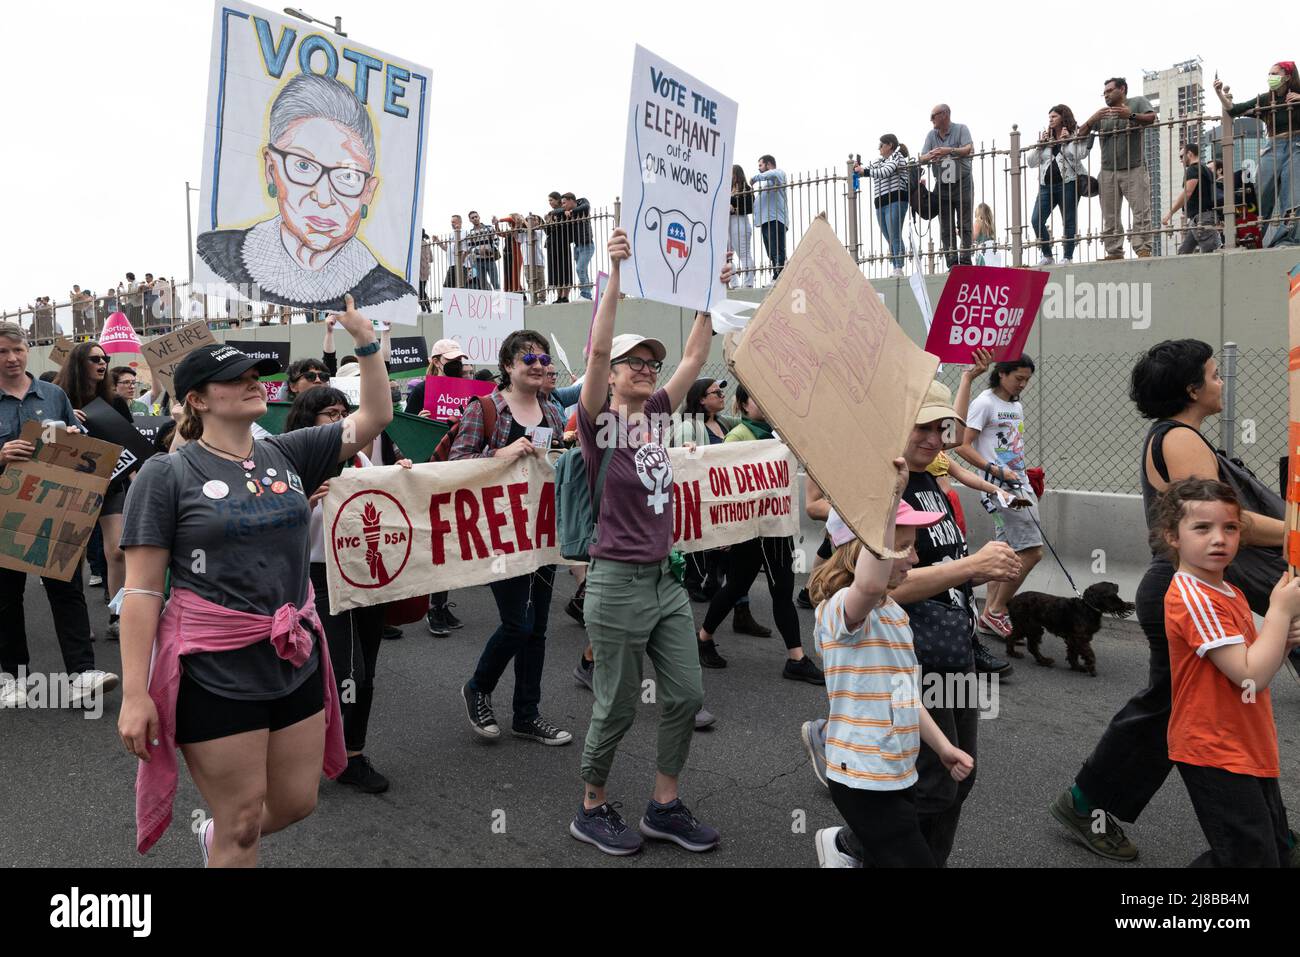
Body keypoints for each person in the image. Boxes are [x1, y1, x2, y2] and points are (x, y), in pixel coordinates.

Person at [116, 297, 393, 864]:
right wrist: (135, 692)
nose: (251, 383)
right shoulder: (165, 474)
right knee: (242, 822)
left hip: (293, 658)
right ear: (196, 399)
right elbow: (143, 590)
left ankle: (216, 838)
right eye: (232, 379)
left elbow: (374, 418)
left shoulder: (288, 454)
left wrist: (365, 344)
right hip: (213, 668)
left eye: (253, 375)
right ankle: (226, 839)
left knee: (296, 803)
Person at [1052, 339, 1289, 862]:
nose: (1221, 382)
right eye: (1213, 374)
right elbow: (1233, 522)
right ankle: (1086, 801)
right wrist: (1295, 530)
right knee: (1177, 708)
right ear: (1191, 389)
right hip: (1178, 588)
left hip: (1194, 585)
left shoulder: (1187, 437)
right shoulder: (1179, 438)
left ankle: (1273, 835)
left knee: (1192, 706)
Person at [569, 227, 729, 856]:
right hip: (615, 582)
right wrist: (613, 275)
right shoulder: (598, 423)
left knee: (687, 695)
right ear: (610, 375)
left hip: (665, 582)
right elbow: (599, 347)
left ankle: (664, 805)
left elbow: (692, 358)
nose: (646, 369)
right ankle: (592, 806)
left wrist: (708, 295)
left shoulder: (661, 412)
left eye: (649, 363)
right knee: (614, 706)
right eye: (634, 362)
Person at [811, 459, 975, 868]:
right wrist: (892, 498)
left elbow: (904, 694)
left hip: (898, 771)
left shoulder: (894, 614)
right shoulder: (840, 613)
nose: (915, 559)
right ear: (860, 551)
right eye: (903, 547)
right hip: (862, 777)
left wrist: (942, 747)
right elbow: (867, 582)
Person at [885, 380, 1021, 865]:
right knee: (934, 785)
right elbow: (888, 587)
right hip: (913, 652)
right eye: (919, 426)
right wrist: (971, 567)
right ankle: (857, 845)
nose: (932, 437)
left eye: (939, 427)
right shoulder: (886, 487)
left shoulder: (928, 478)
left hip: (953, 647)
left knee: (962, 777)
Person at [1147, 479, 1298, 866]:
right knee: (1251, 857)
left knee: (1272, 851)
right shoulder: (1192, 596)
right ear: (1172, 536)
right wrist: (1279, 611)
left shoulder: (1227, 591)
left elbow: (1254, 661)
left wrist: (1280, 641)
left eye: (1230, 528)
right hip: (1214, 750)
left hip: (1248, 744)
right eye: (1202, 528)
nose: (1219, 539)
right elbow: (1250, 675)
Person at [196, 73, 419, 315]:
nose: (324, 198)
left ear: (367, 192)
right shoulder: (215, 255)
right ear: (271, 169)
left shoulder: (393, 296)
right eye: (303, 166)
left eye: (348, 176)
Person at [451, 330, 571, 747]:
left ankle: (527, 714)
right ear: (508, 366)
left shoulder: (553, 412)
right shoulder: (485, 409)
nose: (539, 366)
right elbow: (454, 468)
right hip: (499, 536)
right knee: (517, 623)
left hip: (541, 533)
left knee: (537, 627)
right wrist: (497, 455)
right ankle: (478, 687)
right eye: (529, 359)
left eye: (543, 359)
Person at [287, 385, 410, 793]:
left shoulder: (358, 458)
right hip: (320, 577)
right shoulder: (292, 464)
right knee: (346, 671)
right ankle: (330, 755)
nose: (341, 420)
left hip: (365, 574)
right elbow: (272, 531)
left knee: (366, 671)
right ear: (309, 421)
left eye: (345, 411)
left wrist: (404, 479)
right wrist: (304, 502)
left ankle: (349, 751)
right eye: (330, 413)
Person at [0, 322, 118, 709]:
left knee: (67, 588)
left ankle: (82, 673)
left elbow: (76, 443)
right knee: (6, 596)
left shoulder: (52, 395)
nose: (12, 358)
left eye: (17, 349)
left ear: (27, 349)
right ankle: (12, 677)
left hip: (55, 507)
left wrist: (71, 437)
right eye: (2, 352)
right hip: (6, 513)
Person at [696, 383, 823, 683]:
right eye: (757, 397)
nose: (765, 404)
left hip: (775, 527)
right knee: (740, 586)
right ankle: (704, 639)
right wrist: (725, 531)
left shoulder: (783, 436)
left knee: (776, 589)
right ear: (742, 404)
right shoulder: (739, 436)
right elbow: (722, 482)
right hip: (751, 531)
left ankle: (795, 658)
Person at [669, 378, 770, 634]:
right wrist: (688, 449)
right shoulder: (688, 426)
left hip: (725, 500)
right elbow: (684, 461)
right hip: (705, 499)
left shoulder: (723, 423)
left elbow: (752, 425)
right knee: (726, 559)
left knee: (731, 561)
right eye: (716, 392)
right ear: (701, 399)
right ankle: (713, 600)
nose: (722, 395)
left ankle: (738, 609)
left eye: (723, 391)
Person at [954, 357, 1043, 647]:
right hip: (1001, 490)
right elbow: (963, 446)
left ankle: (986, 612)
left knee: (1004, 551)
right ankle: (996, 610)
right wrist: (994, 471)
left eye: (1027, 379)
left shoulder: (1015, 405)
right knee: (1032, 551)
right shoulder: (984, 403)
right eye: (1018, 377)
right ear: (1001, 374)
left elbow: (1008, 444)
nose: (1023, 384)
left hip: (1019, 484)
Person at [55, 341, 136, 640]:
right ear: (79, 363)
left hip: (111, 485)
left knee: (117, 550)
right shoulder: (57, 397)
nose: (102, 364)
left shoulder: (115, 403)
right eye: (95, 359)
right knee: (71, 556)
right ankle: (77, 623)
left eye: (105, 359)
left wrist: (137, 477)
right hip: (72, 487)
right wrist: (65, 422)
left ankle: (118, 616)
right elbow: (43, 439)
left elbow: (129, 443)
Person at [1214, 62, 1300, 248]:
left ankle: (1289, 239)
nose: (1270, 76)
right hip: (1274, 147)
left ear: (1287, 76)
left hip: (1297, 146)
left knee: (1293, 196)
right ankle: (1250, 237)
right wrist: (1220, 94)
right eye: (1269, 73)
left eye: (1274, 73)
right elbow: (1234, 109)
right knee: (1260, 193)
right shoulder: (1266, 99)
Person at [1078, 77, 1157, 260]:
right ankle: (1114, 251)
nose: (1106, 95)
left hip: (1134, 167)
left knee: (1141, 211)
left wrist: (1130, 116)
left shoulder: (1137, 102)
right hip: (1107, 171)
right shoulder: (1102, 114)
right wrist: (1093, 119)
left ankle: (1143, 248)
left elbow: (1152, 118)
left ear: (1122, 89)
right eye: (1104, 92)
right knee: (1110, 215)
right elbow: (1079, 134)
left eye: (1110, 91)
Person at [1027, 105, 1088, 265]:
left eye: (1054, 116)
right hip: (1046, 186)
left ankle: (1067, 256)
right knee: (1036, 219)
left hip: (1068, 183)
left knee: (1068, 220)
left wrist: (1068, 141)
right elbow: (1031, 162)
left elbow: (1080, 155)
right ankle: (1047, 255)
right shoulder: (1047, 139)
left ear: (1063, 117)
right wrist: (1040, 146)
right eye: (1050, 118)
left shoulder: (1075, 134)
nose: (1051, 120)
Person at [920, 105, 975, 267]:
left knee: (964, 224)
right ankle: (952, 262)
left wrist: (948, 150)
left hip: (962, 182)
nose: (931, 120)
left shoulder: (961, 129)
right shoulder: (931, 135)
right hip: (942, 186)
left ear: (944, 115)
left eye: (933, 116)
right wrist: (931, 155)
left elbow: (968, 148)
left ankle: (965, 261)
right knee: (946, 226)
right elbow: (922, 157)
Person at [854, 136, 911, 276]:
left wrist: (864, 171)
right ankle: (896, 265)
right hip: (881, 203)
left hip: (896, 200)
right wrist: (857, 169)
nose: (879, 148)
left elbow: (886, 171)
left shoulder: (897, 156)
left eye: (881, 145)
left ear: (889, 145)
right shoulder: (879, 161)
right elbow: (868, 171)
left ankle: (898, 266)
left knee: (894, 235)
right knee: (889, 236)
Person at [1162, 143, 1222, 255]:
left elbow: (1187, 193)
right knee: (1183, 252)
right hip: (1198, 219)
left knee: (1211, 255)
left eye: (1181, 156)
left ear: (1189, 154)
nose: (1180, 160)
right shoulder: (1206, 169)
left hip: (1202, 218)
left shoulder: (1193, 169)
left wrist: (1169, 214)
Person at [751, 155, 789, 281]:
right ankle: (776, 275)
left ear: (768, 164)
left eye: (761, 165)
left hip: (775, 219)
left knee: (777, 249)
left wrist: (754, 179)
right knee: (771, 251)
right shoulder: (767, 182)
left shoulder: (778, 174)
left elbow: (772, 174)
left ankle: (780, 276)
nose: (759, 169)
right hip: (765, 221)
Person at [563, 193, 596, 299]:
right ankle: (587, 291)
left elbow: (586, 206)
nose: (563, 205)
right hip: (577, 246)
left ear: (571, 200)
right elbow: (557, 211)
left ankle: (585, 293)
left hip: (587, 245)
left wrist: (571, 211)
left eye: (564, 203)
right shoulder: (566, 213)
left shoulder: (583, 204)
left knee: (579, 269)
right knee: (583, 270)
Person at [543, 192, 572, 302]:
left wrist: (552, 215)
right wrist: (548, 221)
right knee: (555, 270)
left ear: (557, 199)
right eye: (549, 201)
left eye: (551, 200)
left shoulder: (563, 210)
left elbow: (563, 217)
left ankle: (565, 296)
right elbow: (548, 231)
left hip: (563, 243)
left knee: (564, 269)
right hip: (552, 244)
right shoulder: (551, 214)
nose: (550, 203)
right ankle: (559, 296)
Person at [729, 166, 755, 287]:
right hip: (727, 224)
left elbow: (750, 207)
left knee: (744, 253)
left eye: (732, 173)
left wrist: (734, 209)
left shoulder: (746, 189)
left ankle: (748, 283)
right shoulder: (726, 188)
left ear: (737, 174)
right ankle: (734, 283)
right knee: (725, 255)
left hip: (740, 221)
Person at [465, 211, 500, 291]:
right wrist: (478, 251)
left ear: (479, 217)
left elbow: (496, 240)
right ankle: (487, 302)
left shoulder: (489, 228)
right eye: (472, 218)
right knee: (482, 284)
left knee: (495, 283)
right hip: (478, 261)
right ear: (470, 220)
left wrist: (491, 249)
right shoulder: (470, 233)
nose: (475, 219)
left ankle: (499, 301)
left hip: (490, 259)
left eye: (476, 217)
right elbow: (470, 247)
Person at [517, 213, 547, 305]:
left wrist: (523, 220)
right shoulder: (524, 232)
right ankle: (534, 300)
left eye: (535, 219)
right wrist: (518, 224)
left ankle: (541, 300)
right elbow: (517, 238)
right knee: (530, 282)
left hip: (538, 261)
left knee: (540, 281)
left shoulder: (539, 231)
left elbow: (531, 231)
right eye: (531, 219)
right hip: (527, 262)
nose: (534, 221)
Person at [419, 229, 432, 311]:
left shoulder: (417, 244)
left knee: (419, 290)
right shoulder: (426, 244)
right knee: (421, 289)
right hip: (426, 270)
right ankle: (426, 306)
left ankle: (425, 305)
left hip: (418, 270)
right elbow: (431, 259)